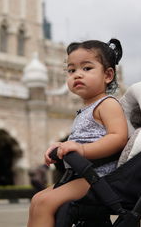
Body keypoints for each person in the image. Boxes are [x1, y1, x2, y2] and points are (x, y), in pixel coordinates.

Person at [27, 38, 128, 227]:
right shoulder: (85, 110)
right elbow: (80, 139)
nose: (77, 75)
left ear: (108, 75)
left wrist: (81, 150)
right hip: (82, 175)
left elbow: (118, 138)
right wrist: (61, 145)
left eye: (87, 68)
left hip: (99, 177)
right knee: (37, 200)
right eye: (71, 70)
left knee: (44, 203)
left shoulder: (107, 104)